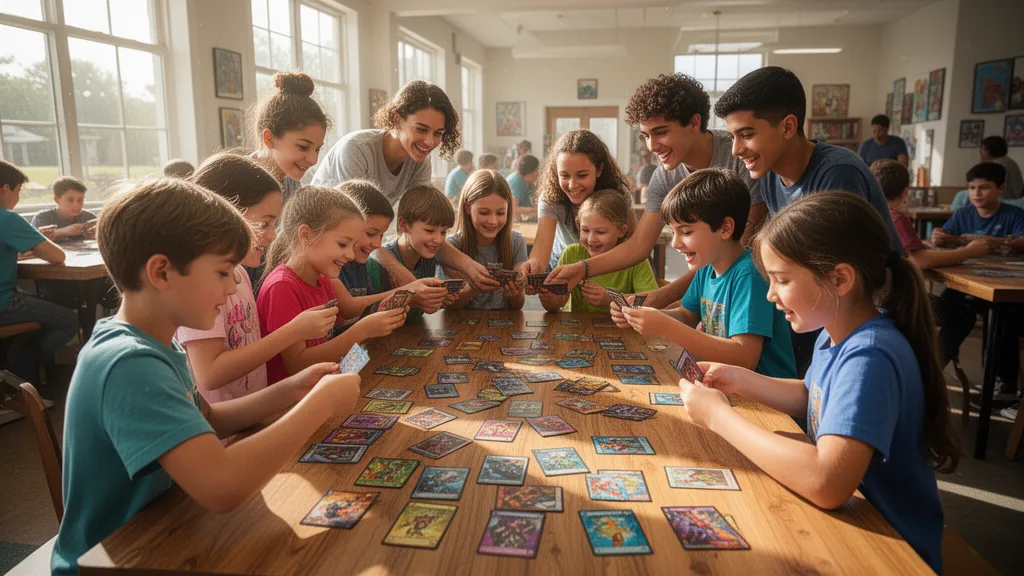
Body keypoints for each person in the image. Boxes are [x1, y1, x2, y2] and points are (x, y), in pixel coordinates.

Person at [51, 177, 362, 575]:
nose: (234, 283)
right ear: (161, 272)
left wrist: (294, 389)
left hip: (169, 530)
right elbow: (221, 486)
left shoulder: (158, 344)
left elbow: (210, 420)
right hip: (120, 558)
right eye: (222, 271)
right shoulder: (128, 362)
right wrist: (318, 406)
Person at [679, 191, 956, 574]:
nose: (771, 294)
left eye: (782, 280)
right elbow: (813, 397)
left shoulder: (869, 355)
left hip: (888, 553)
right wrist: (741, 380)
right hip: (848, 528)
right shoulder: (837, 329)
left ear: (840, 278)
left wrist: (719, 419)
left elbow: (827, 482)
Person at [714, 66, 904, 375]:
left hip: (862, 317)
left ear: (788, 126)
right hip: (819, 312)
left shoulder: (839, 173)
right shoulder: (770, 177)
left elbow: (837, 276)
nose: (736, 150)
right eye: (732, 137)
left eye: (747, 135)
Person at [543, 73, 765, 306]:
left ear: (694, 122)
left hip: (748, 288)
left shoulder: (740, 155)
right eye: (646, 136)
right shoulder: (664, 176)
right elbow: (639, 245)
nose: (651, 146)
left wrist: (659, 300)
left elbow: (741, 245)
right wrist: (583, 268)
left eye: (661, 132)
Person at [176, 153, 338, 403]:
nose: (273, 236)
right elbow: (210, 374)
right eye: (265, 224)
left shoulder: (239, 273)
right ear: (226, 216)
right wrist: (293, 332)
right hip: (222, 433)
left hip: (251, 416)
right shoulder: (197, 285)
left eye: (274, 224)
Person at [311, 81, 497, 293]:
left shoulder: (420, 161)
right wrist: (406, 278)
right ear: (396, 119)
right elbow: (360, 231)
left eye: (438, 133)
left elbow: (423, 221)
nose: (429, 141)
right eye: (421, 129)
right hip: (322, 247)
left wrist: (467, 265)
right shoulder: (356, 149)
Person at [613, 169, 795, 378]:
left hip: (764, 402)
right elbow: (687, 315)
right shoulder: (706, 267)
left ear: (725, 228)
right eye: (673, 232)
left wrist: (665, 327)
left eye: (686, 232)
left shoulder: (749, 275)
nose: (675, 243)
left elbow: (745, 357)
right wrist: (642, 317)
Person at [257, 186, 407, 384]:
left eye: (352, 246)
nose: (350, 255)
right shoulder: (282, 287)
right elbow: (297, 366)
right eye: (342, 245)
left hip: (323, 387)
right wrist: (362, 330)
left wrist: (377, 317)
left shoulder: (324, 282)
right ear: (306, 235)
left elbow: (331, 343)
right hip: (290, 404)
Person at [931, 162, 1024, 408]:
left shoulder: (1013, 215)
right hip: (970, 284)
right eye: (972, 188)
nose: (976, 194)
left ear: (1001, 189)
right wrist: (940, 237)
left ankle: (1005, 385)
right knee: (951, 308)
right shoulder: (964, 213)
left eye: (984, 187)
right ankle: (931, 370)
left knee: (1005, 319)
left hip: (1006, 288)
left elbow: (1022, 242)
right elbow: (946, 237)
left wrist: (968, 239)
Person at [0, 161, 78, 382]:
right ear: (5, 189)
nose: (18, 198)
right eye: (18, 191)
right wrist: (36, 237)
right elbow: (57, 256)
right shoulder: (6, 218)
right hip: (4, 303)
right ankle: (18, 381)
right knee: (70, 320)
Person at [521, 129, 635, 277]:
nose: (572, 185)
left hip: (608, 267)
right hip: (563, 267)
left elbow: (633, 240)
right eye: (564, 175)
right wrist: (533, 267)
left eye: (582, 175)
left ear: (599, 169)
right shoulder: (551, 196)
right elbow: (542, 246)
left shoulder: (620, 192)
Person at [335, 181, 447, 331]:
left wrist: (405, 302)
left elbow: (370, 312)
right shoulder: (330, 267)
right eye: (370, 233)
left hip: (358, 349)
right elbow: (348, 308)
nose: (377, 244)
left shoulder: (361, 265)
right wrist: (410, 291)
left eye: (381, 236)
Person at [539, 189, 657, 313]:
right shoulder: (571, 253)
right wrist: (548, 299)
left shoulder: (636, 259)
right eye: (585, 230)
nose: (591, 239)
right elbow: (556, 305)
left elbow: (651, 304)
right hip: (578, 330)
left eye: (601, 232)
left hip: (622, 329)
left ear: (621, 231)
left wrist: (611, 299)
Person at [873, 159, 989, 269]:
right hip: (888, 287)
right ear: (905, 192)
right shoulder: (895, 218)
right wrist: (967, 252)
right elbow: (919, 260)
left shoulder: (870, 213)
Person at [444, 170, 527, 310]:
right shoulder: (451, 246)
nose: (493, 221)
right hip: (462, 326)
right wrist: (471, 288)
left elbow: (518, 305)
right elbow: (449, 307)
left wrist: (515, 293)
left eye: (501, 213)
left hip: (505, 327)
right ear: (467, 207)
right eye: (484, 212)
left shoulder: (517, 241)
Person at [248, 73, 329, 206]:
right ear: (269, 139)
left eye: (317, 149)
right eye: (303, 147)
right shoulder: (237, 182)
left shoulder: (292, 181)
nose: (314, 160)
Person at [383, 185, 459, 322]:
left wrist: (438, 300)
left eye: (444, 232)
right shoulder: (380, 263)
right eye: (429, 230)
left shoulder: (429, 256)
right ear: (403, 225)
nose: (438, 240)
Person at [31, 177, 96, 242]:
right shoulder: (42, 218)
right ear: (57, 200)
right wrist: (64, 231)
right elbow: (33, 243)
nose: (77, 205)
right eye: (70, 200)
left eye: (80, 200)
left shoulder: (89, 218)